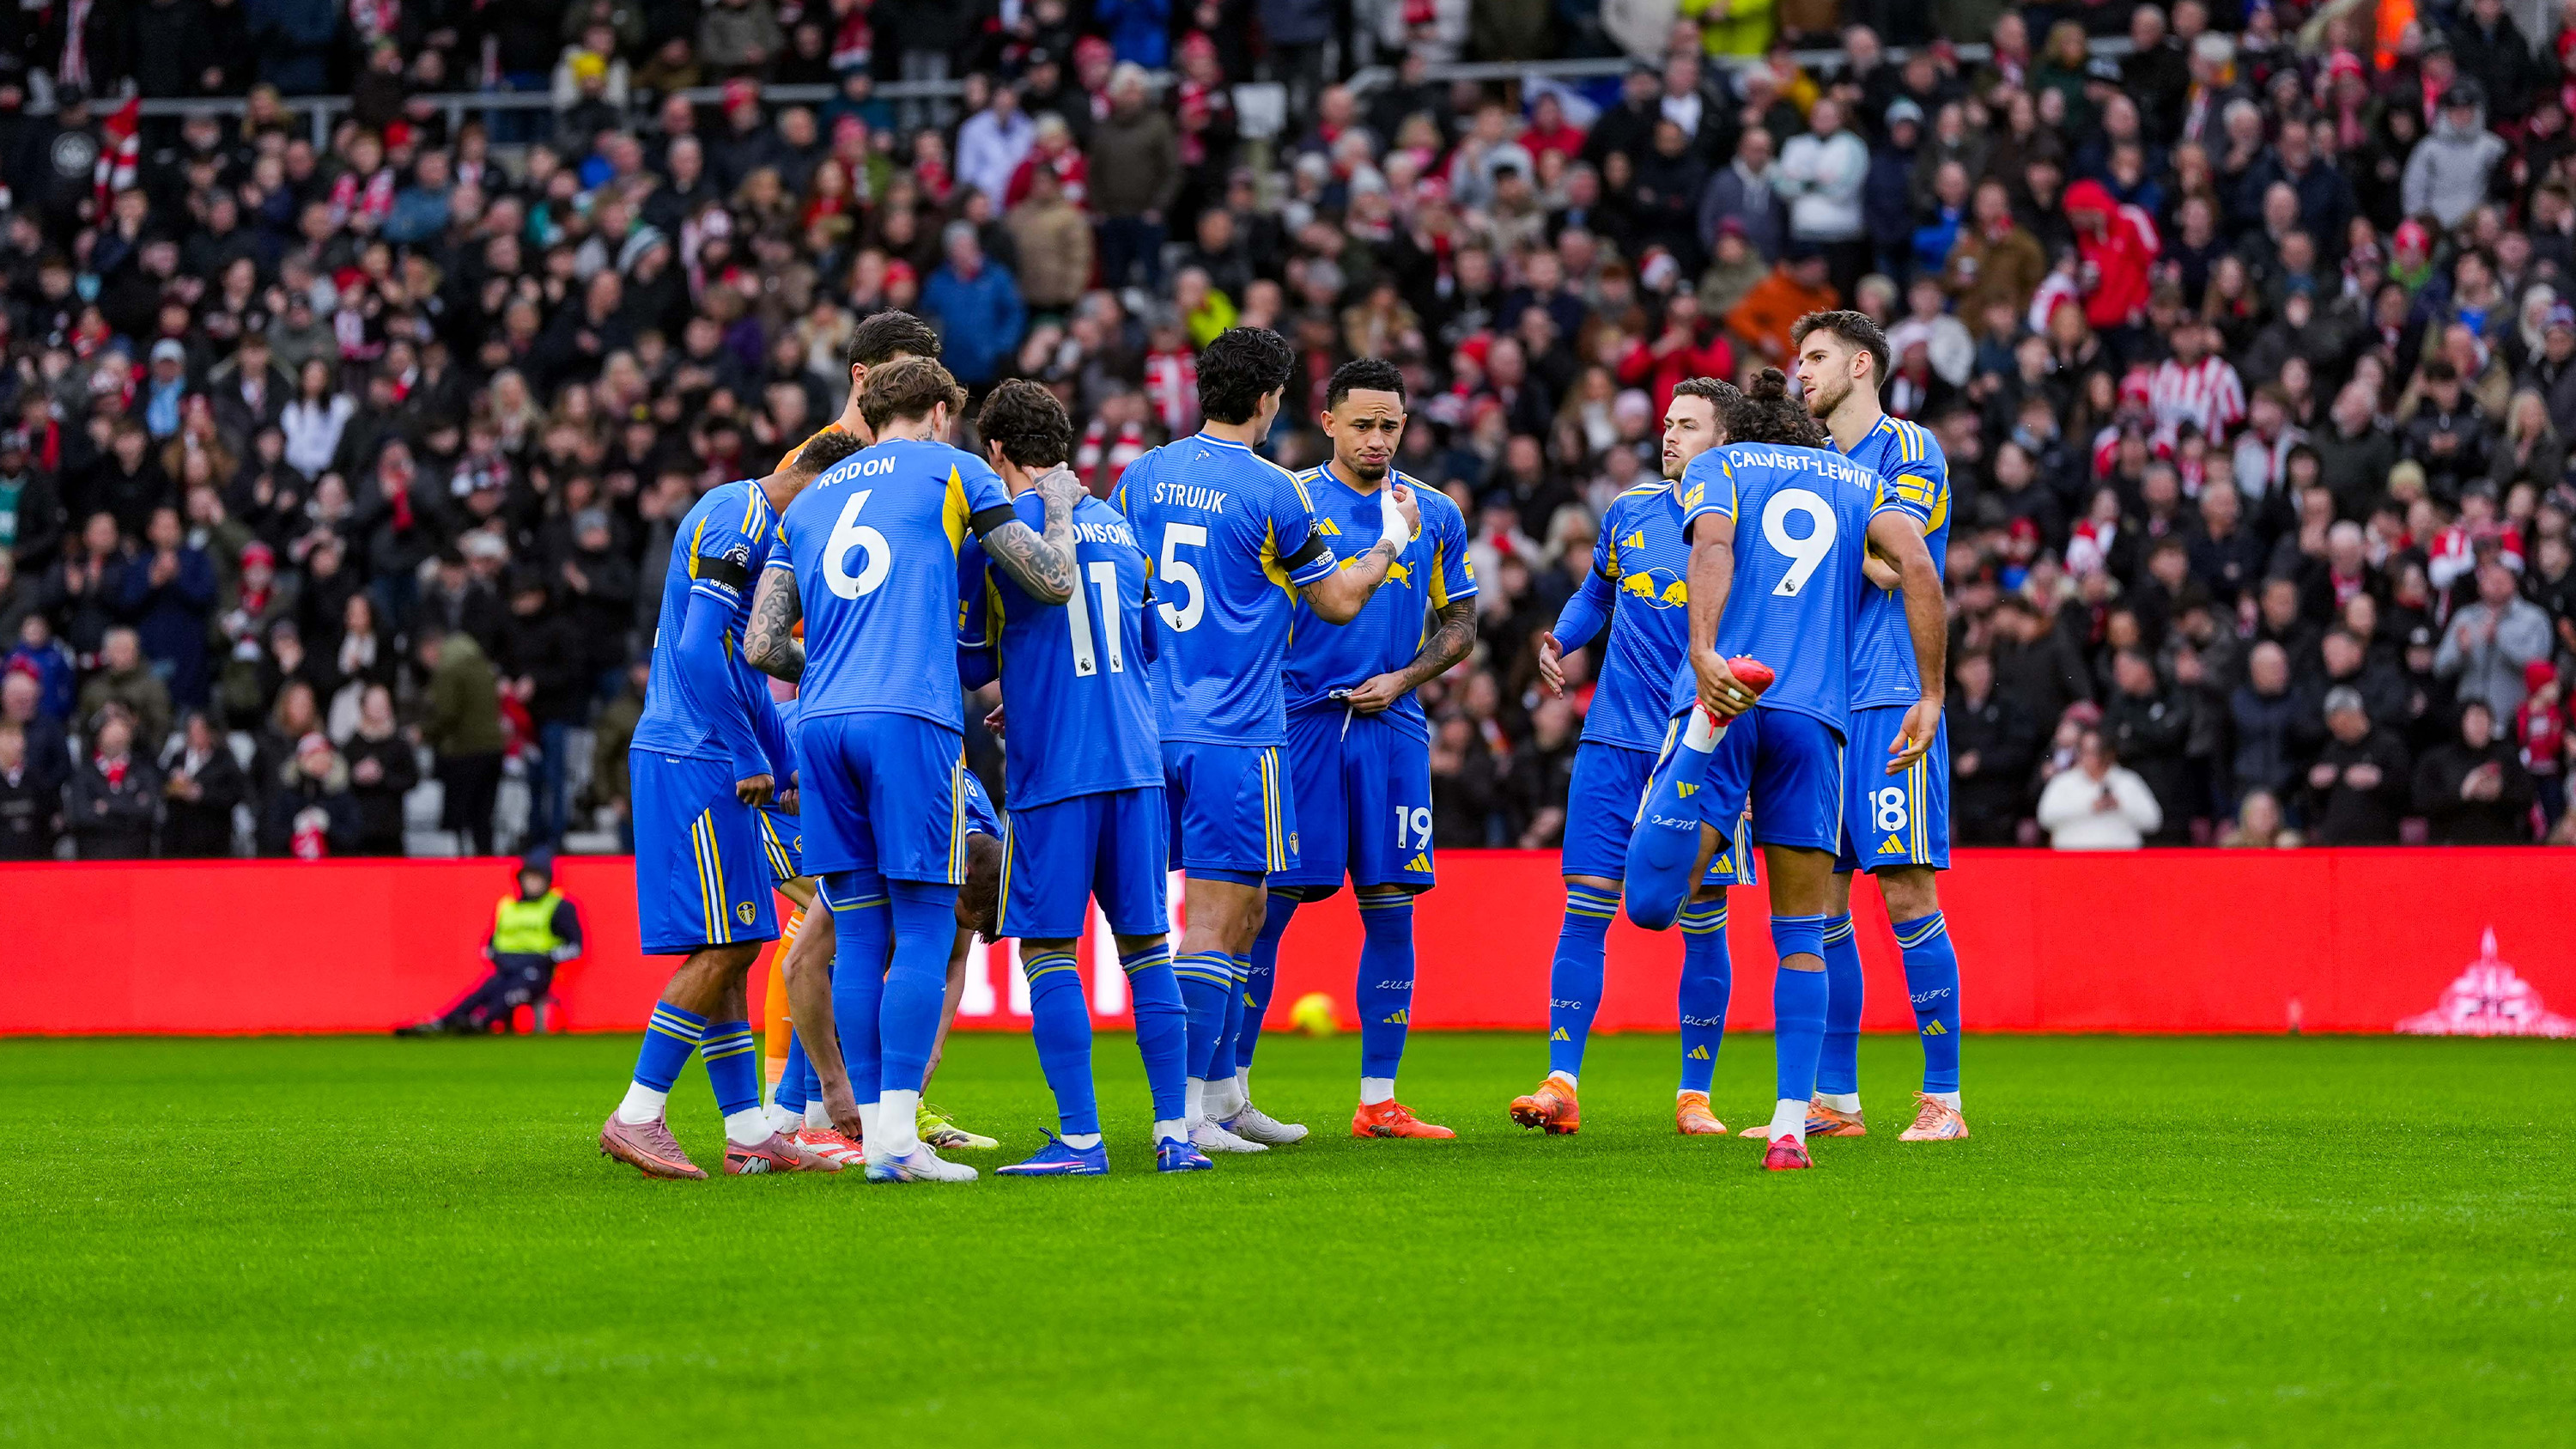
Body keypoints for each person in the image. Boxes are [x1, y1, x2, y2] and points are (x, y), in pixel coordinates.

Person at [744, 356, 1081, 1184]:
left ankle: (866, 1128)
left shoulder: (812, 494)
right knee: (929, 921)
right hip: (909, 717)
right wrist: (1064, 511)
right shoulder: (959, 470)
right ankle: (897, 1137)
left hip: (818, 722)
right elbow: (1051, 579)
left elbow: (761, 643)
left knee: (855, 931)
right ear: (938, 412)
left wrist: (830, 667)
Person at [1623, 369, 1947, 1172]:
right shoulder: (1858, 480)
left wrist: (1703, 653)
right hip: (1813, 720)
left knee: (1651, 904)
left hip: (1728, 698)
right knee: (1802, 934)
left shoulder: (1721, 468)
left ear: (1741, 430)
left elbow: (1714, 546)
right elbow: (1918, 566)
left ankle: (1698, 736)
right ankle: (1792, 1127)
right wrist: (1931, 692)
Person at [1112, 327, 1419, 1150]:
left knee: (1243, 912)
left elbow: (1113, 585)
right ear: (1269, 399)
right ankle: (1182, 1114)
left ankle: (1219, 1096)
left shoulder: (1141, 474)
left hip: (1148, 724)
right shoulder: (1277, 490)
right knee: (1220, 919)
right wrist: (1390, 540)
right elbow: (1341, 603)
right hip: (1236, 731)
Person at [596, 427, 865, 1182]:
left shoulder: (763, 534)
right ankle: (639, 1113)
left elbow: (739, 659)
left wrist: (779, 756)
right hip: (695, 754)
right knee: (723, 946)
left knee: (735, 942)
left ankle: (747, 1128)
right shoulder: (738, 517)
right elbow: (691, 650)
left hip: (712, 749)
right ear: (818, 481)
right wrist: (749, 753)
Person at [952, 381, 1194, 1176]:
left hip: (1055, 772)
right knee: (1148, 949)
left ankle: (1081, 1140)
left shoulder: (1000, 534)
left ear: (996, 452)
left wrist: (1024, 689)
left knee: (1050, 951)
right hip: (1135, 765)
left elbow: (974, 659)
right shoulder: (1122, 530)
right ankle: (1174, 1135)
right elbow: (1147, 648)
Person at [1241, 359, 1479, 1146]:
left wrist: (1405, 677)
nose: (1379, 439)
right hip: (1298, 722)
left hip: (1392, 730)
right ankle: (1227, 1092)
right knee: (1264, 912)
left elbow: (1462, 624)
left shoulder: (1435, 512)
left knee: (1390, 910)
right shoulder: (1291, 499)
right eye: (1365, 424)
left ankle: (1380, 1101)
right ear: (1331, 421)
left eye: (1392, 425)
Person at [1512, 375, 1752, 1139]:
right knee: (1585, 908)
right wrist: (1561, 637)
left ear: (1726, 441)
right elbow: (1597, 593)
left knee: (1702, 921)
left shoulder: (1747, 528)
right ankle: (1561, 1082)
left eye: (1688, 425)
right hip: (1613, 741)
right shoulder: (1629, 512)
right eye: (1668, 423)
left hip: (1699, 747)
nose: (1670, 435)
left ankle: (1694, 1095)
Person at [1792, 308, 1970, 1145]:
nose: (1802, 370)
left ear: (1862, 365)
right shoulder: (1814, 463)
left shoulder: (1907, 449)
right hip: (1820, 709)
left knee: (1905, 892)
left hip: (1890, 694)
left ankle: (1943, 1099)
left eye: (1817, 356)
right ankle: (1836, 1101)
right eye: (1799, 358)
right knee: (1823, 903)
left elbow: (1900, 563)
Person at [398, 850, 586, 1035]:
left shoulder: (559, 906)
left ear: (548, 881)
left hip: (536, 971)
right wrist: (496, 955)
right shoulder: (508, 905)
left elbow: (576, 947)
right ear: (520, 879)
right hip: (506, 967)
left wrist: (547, 958)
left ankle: (479, 1023)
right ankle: (439, 1022)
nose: (533, 883)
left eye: (538, 878)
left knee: (508, 995)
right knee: (479, 994)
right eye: (529, 877)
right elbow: (490, 943)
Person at [2414, 698, 2537, 843]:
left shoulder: (2506, 755)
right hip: (2452, 845)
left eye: (2485, 720)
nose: (2481, 726)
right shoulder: (2437, 759)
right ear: (2461, 723)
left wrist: (2500, 792)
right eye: (2474, 721)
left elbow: (2528, 795)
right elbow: (2422, 802)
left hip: (2499, 845)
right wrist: (2463, 792)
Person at [2036, 728, 2163, 849]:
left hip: (2121, 861)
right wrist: (2090, 806)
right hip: (2073, 860)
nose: (2088, 758)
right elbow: (2045, 817)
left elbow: (2154, 822)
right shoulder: (2063, 782)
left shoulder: (2128, 781)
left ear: (2109, 754)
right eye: (2084, 751)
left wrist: (2120, 805)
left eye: (2095, 752)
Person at [65, 710, 161, 859]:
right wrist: (129, 805)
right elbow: (81, 815)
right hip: (94, 857)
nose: (117, 735)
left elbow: (148, 811)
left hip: (136, 856)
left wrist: (107, 807)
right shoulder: (84, 773)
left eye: (122, 729)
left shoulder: (143, 770)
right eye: (110, 729)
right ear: (98, 735)